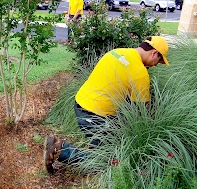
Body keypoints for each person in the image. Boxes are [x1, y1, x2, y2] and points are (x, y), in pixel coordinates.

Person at [44, 36, 170, 174]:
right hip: (93, 115)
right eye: (159, 60)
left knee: (109, 138)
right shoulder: (140, 73)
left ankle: (95, 146)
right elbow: (141, 111)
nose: (156, 64)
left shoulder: (116, 52)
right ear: (154, 53)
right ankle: (60, 150)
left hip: (81, 102)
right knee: (105, 160)